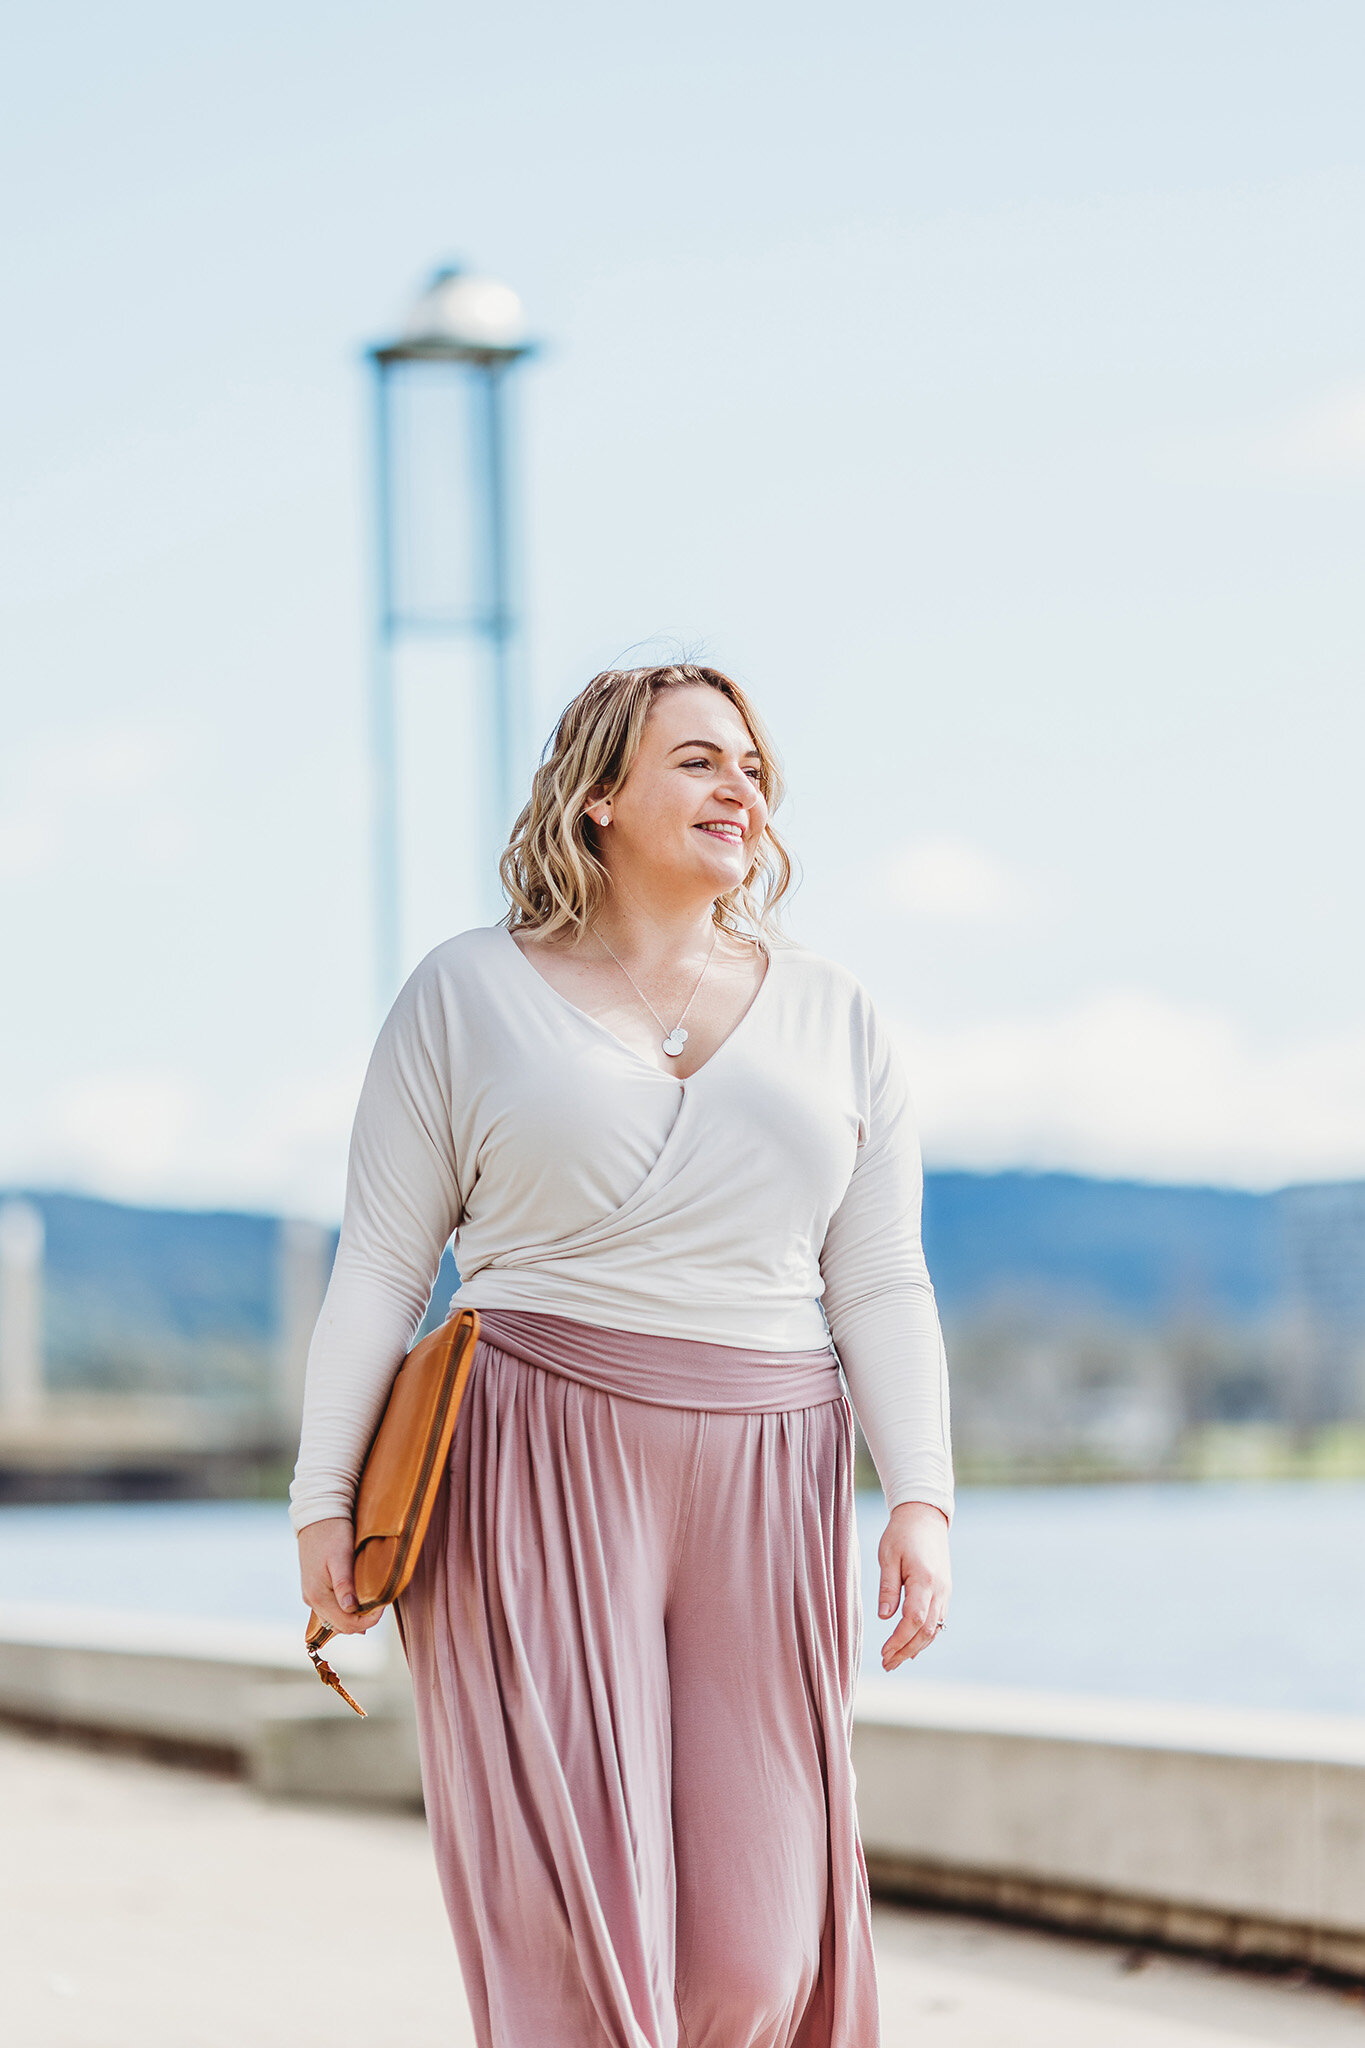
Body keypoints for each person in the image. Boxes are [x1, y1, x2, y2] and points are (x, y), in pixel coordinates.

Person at [290, 662, 953, 2048]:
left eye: (753, 768)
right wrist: (321, 1500)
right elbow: (380, 1266)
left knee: (755, 1965)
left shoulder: (835, 1010)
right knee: (575, 1948)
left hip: (771, 1465)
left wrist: (922, 1501)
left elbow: (881, 1279)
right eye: (699, 761)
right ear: (598, 797)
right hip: (526, 1450)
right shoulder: (464, 992)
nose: (740, 789)